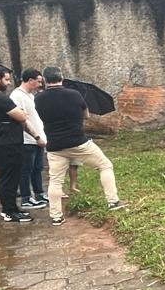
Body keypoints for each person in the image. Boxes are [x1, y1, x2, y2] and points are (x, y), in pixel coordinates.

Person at [34, 66, 125, 226]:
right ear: (61, 76)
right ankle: (113, 202)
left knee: (55, 181)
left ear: (45, 80)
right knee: (105, 165)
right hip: (78, 142)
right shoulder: (74, 95)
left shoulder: (38, 98)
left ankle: (56, 217)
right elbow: (87, 116)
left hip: (54, 145)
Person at [0, 66, 46, 223]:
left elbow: (20, 116)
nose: (8, 83)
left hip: (7, 143)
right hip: (5, 144)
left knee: (9, 177)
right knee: (8, 179)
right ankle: (9, 211)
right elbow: (21, 116)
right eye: (6, 79)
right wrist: (21, 114)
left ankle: (12, 208)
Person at [9, 68, 48, 210]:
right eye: (38, 81)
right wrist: (35, 136)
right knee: (26, 169)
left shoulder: (30, 96)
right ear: (30, 80)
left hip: (37, 139)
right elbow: (21, 119)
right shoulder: (17, 96)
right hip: (27, 139)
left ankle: (39, 193)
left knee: (37, 168)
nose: (40, 85)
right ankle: (26, 198)